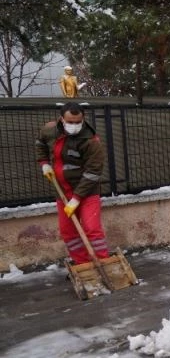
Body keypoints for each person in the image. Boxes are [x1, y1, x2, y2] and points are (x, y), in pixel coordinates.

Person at [35, 102, 110, 264]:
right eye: (70, 122)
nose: (74, 125)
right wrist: (44, 163)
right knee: (68, 232)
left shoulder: (90, 141)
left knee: (92, 229)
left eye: (78, 122)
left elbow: (93, 172)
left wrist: (76, 199)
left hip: (87, 192)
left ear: (83, 119)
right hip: (62, 192)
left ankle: (103, 263)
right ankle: (83, 264)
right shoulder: (50, 130)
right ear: (62, 119)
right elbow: (40, 143)